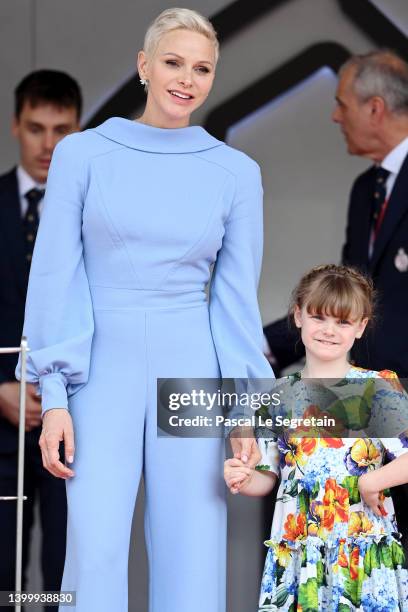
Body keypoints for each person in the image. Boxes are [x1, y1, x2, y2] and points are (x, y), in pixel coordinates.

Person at [16, 8, 273, 612]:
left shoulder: (236, 172)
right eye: (174, 62)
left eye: (202, 68)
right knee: (96, 550)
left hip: (192, 370)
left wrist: (245, 409)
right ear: (143, 66)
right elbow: (55, 278)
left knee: (193, 549)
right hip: (100, 371)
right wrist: (53, 396)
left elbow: (235, 301)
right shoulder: (81, 154)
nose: (187, 79)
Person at [225, 264, 408, 611]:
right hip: (298, 556)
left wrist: (374, 480)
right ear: (298, 316)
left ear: (361, 327)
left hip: (360, 555)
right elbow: (269, 475)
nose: (329, 330)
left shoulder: (378, 388)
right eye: (319, 317)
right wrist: (244, 477)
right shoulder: (277, 397)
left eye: (342, 321)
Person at [264, 50, 408, 377]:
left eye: (342, 104)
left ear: (374, 108)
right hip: (366, 403)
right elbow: (352, 294)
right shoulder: (366, 189)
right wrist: (265, 346)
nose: (335, 116)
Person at [0, 70, 81, 609]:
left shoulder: (95, 213)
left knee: (65, 574)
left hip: (74, 420)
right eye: (36, 128)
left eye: (62, 130)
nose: (49, 145)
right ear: (15, 127)